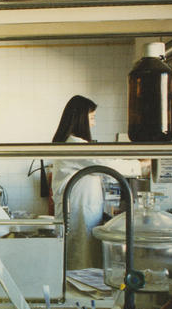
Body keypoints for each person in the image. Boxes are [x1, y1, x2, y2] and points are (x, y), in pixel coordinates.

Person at [50, 95, 143, 270]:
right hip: (77, 211)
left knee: (82, 258)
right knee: (79, 259)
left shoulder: (73, 142)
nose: (94, 123)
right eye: (92, 118)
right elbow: (106, 165)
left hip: (82, 210)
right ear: (81, 119)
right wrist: (142, 165)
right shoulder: (74, 144)